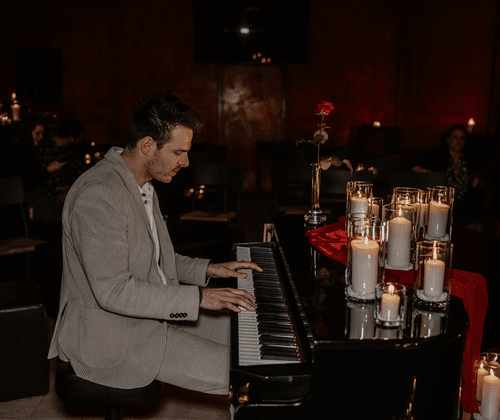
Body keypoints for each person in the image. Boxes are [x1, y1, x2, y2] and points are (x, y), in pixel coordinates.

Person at [47, 91, 261, 396]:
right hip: (113, 336)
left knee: (255, 337)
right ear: (148, 146)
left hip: (154, 313)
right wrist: (199, 297)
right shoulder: (99, 194)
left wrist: (210, 270)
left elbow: (155, 259)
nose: (185, 162)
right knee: (253, 376)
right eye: (178, 152)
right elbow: (113, 291)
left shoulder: (142, 183)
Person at [412, 124, 487, 229]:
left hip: (465, 200)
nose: (458, 141)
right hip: (443, 199)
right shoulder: (437, 154)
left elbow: (482, 171)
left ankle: (471, 226)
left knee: (477, 194)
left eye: (462, 138)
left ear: (465, 141)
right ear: (448, 139)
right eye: (455, 137)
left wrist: (478, 178)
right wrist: (431, 174)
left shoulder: (470, 158)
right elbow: (414, 166)